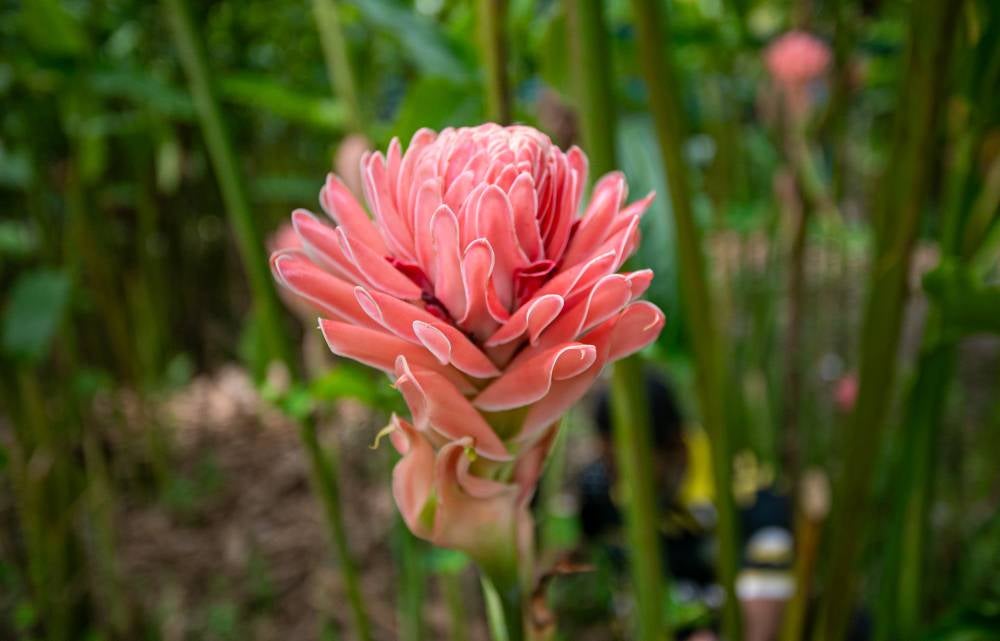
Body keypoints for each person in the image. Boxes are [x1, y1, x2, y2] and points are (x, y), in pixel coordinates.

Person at [577, 372, 795, 641]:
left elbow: (759, 625)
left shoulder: (748, 499)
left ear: (675, 446)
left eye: (626, 464)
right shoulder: (602, 493)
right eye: (607, 461)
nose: (616, 479)